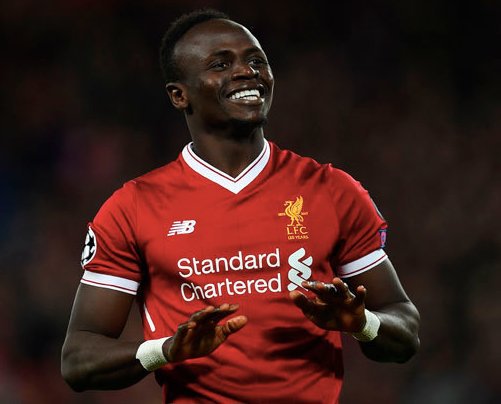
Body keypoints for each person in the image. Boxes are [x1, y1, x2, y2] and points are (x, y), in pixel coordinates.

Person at [61, 8, 420, 403]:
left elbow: (405, 330)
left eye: (256, 61)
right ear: (179, 95)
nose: (247, 72)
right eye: (221, 64)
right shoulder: (133, 207)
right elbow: (78, 360)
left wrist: (363, 323)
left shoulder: (332, 190)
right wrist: (165, 350)